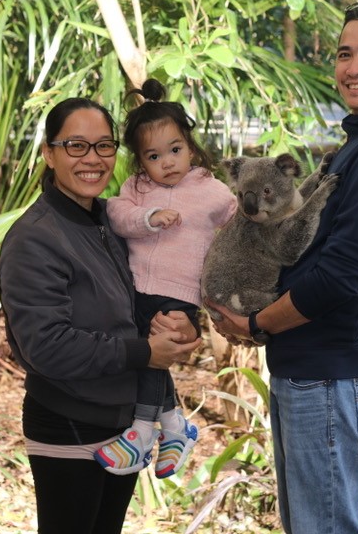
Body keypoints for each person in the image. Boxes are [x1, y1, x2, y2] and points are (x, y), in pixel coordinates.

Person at [207, 1, 358, 534]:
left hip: (330, 367)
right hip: (310, 364)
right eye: (344, 53)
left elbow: (341, 274)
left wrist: (257, 324)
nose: (354, 66)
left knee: (324, 526)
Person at [0, 97, 201, 534]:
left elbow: (154, 288)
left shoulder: (114, 219)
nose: (92, 159)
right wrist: (144, 352)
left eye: (104, 146)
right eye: (76, 145)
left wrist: (185, 324)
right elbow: (46, 346)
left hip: (123, 424)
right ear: (49, 154)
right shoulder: (35, 239)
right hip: (68, 421)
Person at [93, 79, 237, 477]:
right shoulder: (137, 188)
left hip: (178, 294)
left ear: (190, 147)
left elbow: (243, 226)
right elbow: (117, 215)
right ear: (141, 161)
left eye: (175, 150)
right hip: (135, 289)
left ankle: (140, 434)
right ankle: (174, 427)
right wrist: (148, 218)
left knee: (153, 361)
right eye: (155, 156)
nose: (168, 162)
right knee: (147, 359)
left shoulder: (213, 191)